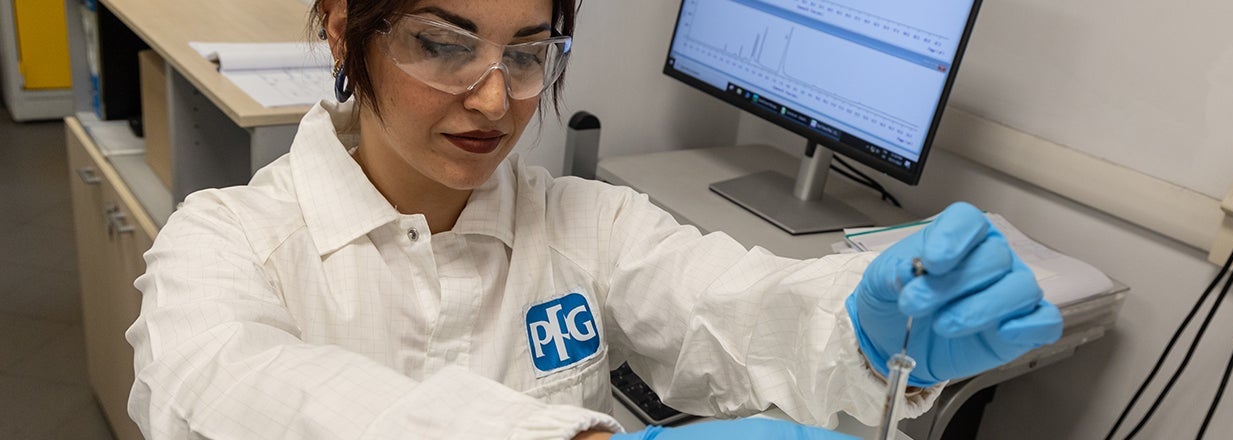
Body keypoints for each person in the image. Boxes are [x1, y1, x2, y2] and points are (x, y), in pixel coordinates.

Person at [125, 0, 1064, 438]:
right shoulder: (227, 242)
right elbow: (227, 388)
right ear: (343, 31)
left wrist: (859, 326)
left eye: (529, 53)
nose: (495, 99)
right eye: (443, 45)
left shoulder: (585, 223)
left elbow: (726, 302)